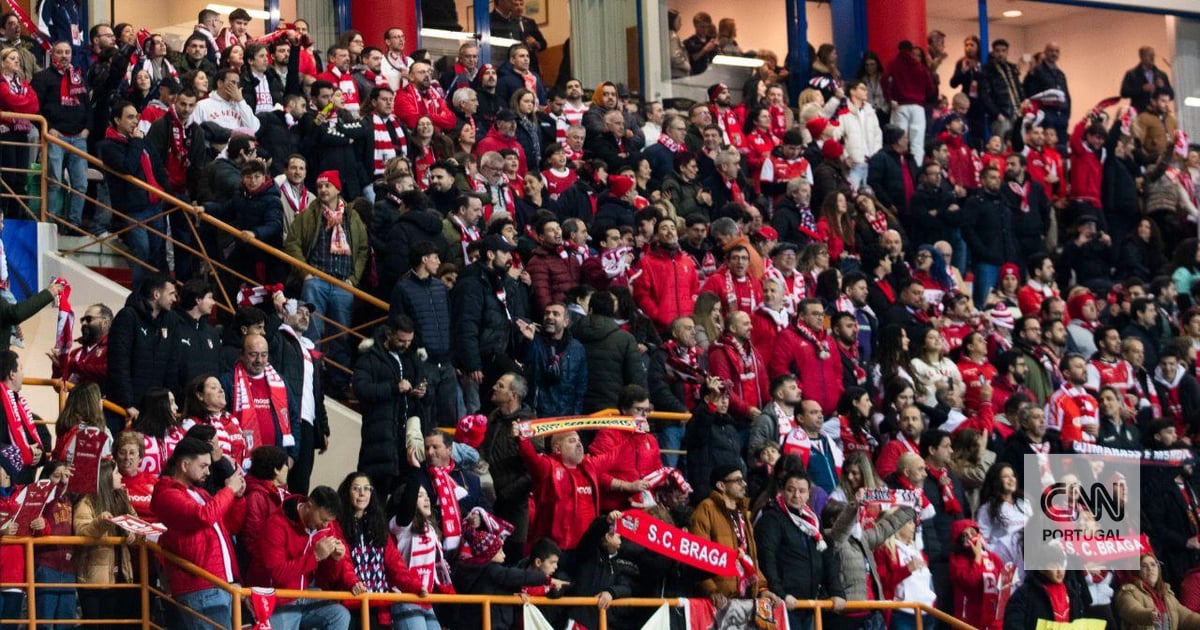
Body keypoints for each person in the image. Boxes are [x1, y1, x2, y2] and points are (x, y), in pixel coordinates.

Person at [285, 170, 369, 393]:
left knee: (340, 335)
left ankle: (339, 383)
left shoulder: (352, 216)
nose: (322, 190)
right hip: (317, 281)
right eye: (320, 186)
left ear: (337, 189)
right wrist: (306, 273)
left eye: (327, 186)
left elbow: (362, 249)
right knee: (311, 332)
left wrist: (354, 279)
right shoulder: (309, 214)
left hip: (343, 283)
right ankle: (311, 379)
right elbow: (292, 244)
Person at [151, 437, 245, 630]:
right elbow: (204, 516)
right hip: (200, 586)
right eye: (203, 466)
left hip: (217, 583)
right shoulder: (167, 495)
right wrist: (228, 490)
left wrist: (236, 497)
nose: (208, 472)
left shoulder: (198, 493)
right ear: (185, 465)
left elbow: (231, 524)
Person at [247, 486, 352, 629]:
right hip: (278, 598)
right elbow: (277, 573)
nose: (325, 525)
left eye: (329, 521)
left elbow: (329, 577)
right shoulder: (276, 524)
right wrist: (314, 557)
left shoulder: (325, 526)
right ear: (309, 506)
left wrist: (335, 559)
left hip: (306, 594)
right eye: (322, 519)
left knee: (340, 615)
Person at [755, 470, 846, 628]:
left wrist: (836, 591)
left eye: (802, 491)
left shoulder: (812, 521)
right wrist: (780, 594)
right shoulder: (771, 518)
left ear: (808, 494)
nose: (796, 495)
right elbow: (766, 558)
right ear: (782, 491)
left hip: (808, 606)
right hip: (783, 605)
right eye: (791, 490)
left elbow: (826, 557)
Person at [354, 316, 426, 494]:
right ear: (389, 334)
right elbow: (361, 389)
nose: (406, 345)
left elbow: (423, 381)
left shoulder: (411, 357)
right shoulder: (371, 357)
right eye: (401, 340)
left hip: (405, 438)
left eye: (409, 341)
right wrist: (394, 388)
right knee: (375, 495)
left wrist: (423, 390)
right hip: (380, 438)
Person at [74, 458, 140, 626]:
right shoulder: (86, 502)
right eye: (116, 473)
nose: (120, 476)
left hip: (122, 576)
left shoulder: (122, 498)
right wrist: (101, 522)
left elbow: (137, 525)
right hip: (94, 580)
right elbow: (82, 533)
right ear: (105, 477)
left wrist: (133, 533)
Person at [573, 289, 647, 412]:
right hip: (611, 408)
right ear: (613, 310)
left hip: (576, 406)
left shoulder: (571, 332)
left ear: (590, 309)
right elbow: (636, 377)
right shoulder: (625, 338)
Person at [520, 302, 587, 417]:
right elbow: (526, 363)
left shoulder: (577, 348)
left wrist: (576, 416)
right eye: (547, 314)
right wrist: (528, 341)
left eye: (555, 314)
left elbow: (581, 386)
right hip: (538, 415)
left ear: (566, 322)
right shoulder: (534, 341)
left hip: (565, 416)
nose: (550, 317)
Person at [1115, 552, 1200, 630]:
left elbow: (1186, 617)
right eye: (1144, 566)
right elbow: (1132, 611)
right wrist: (1149, 615)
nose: (1150, 569)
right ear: (1137, 571)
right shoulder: (1128, 591)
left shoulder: (1166, 593)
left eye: (1153, 565)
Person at [883, 41, 935, 165]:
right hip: (918, 107)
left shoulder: (894, 64)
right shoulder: (919, 66)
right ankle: (916, 168)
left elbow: (884, 80)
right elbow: (931, 88)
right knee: (917, 142)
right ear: (911, 50)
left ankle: (900, 168)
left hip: (900, 106)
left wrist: (889, 98)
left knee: (899, 140)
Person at [979, 39, 1022, 142]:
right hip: (1001, 116)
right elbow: (984, 95)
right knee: (1002, 146)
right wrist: (997, 114)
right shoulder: (987, 70)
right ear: (993, 52)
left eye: (1003, 51)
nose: (1000, 54)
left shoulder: (1012, 68)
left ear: (1007, 52)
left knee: (1019, 145)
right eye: (997, 51)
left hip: (1017, 113)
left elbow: (1019, 88)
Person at [1120, 46, 1172, 113]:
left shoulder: (1161, 74)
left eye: (1153, 55)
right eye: (1149, 55)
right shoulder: (1132, 74)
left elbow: (1171, 95)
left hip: (1158, 113)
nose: (1152, 58)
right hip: (1140, 112)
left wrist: (1163, 87)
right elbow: (1124, 93)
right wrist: (1142, 89)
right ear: (1142, 57)